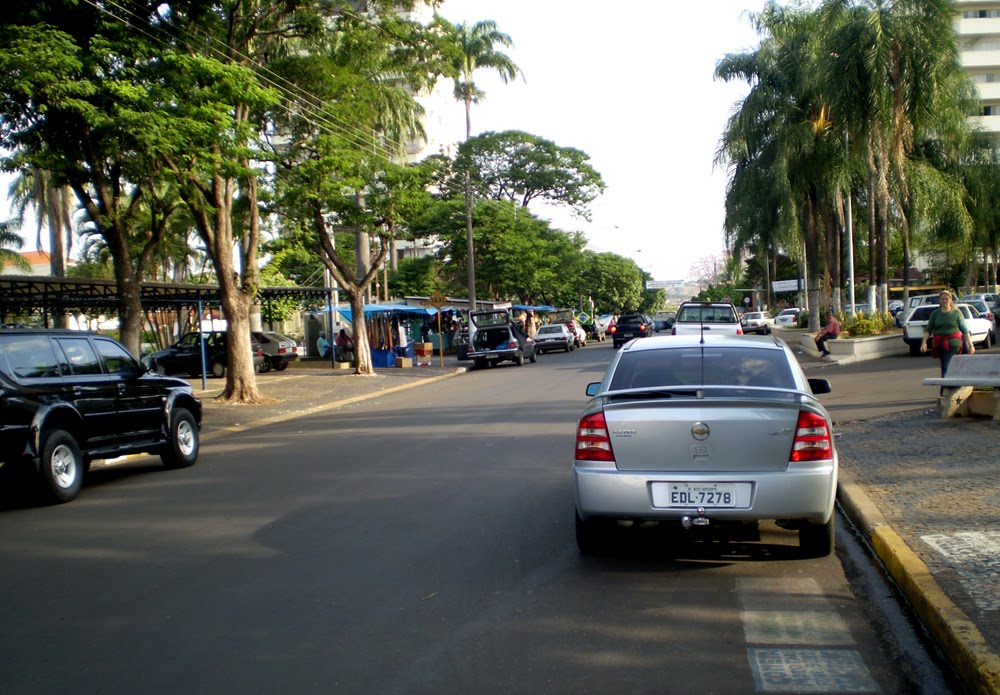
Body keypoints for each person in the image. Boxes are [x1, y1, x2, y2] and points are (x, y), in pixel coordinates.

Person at [921, 290, 975, 377]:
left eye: (946, 299)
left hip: (953, 344)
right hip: (939, 344)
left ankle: (946, 383)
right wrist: (924, 343)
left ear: (950, 299)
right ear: (939, 300)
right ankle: (949, 383)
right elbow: (929, 329)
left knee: (946, 363)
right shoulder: (935, 314)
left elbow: (964, 330)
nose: (944, 301)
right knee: (945, 363)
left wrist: (970, 345)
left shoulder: (956, 313)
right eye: (942, 299)